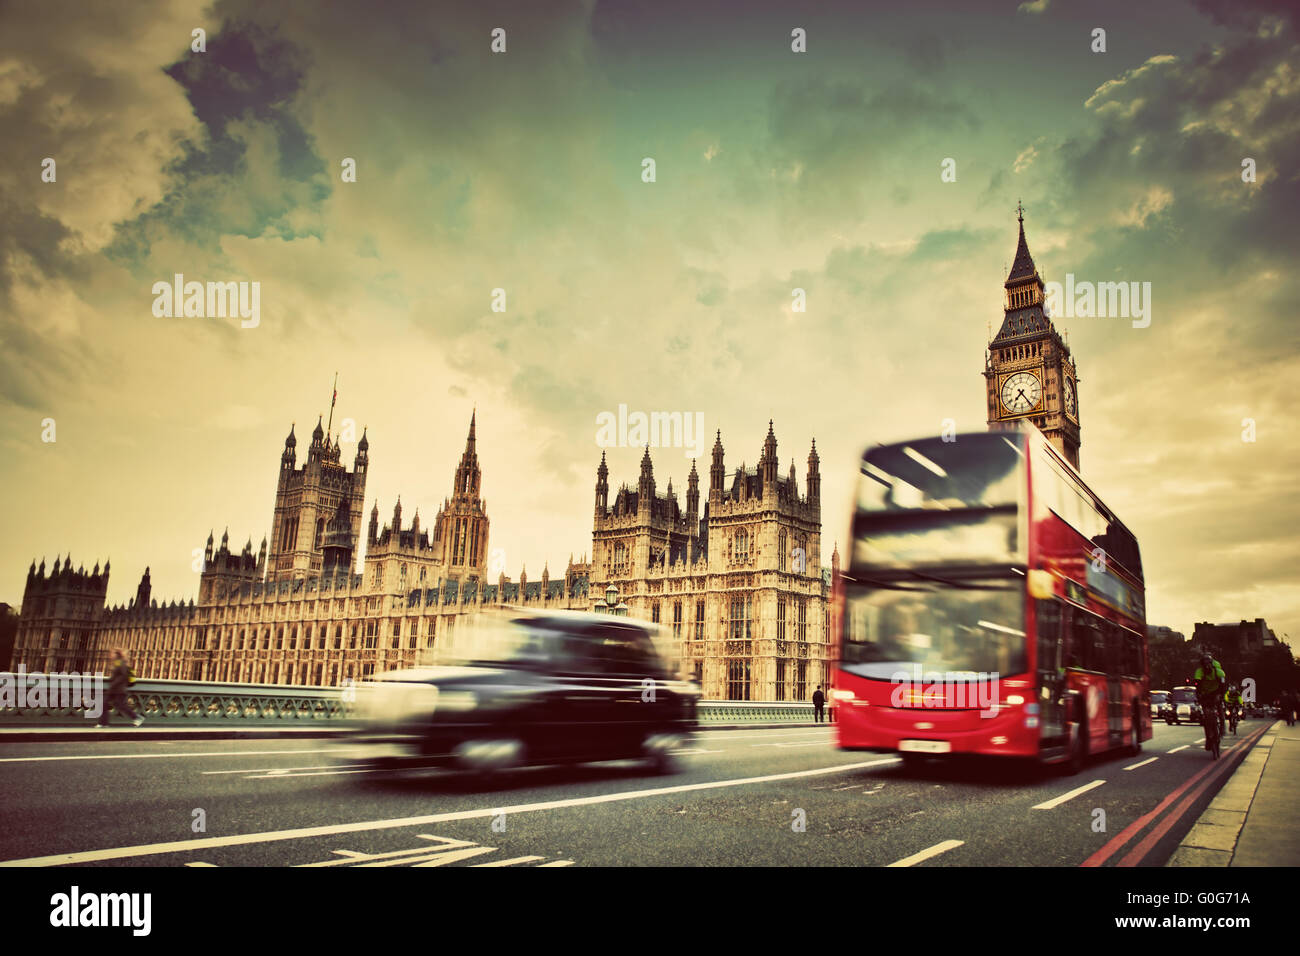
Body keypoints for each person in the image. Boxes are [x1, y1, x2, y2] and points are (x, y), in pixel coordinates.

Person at [96, 648, 144, 727]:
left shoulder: (120, 663)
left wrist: (114, 683)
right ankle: (103, 723)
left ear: (116, 655)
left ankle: (137, 717)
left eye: (112, 654)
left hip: (118, 689)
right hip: (115, 689)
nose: (110, 655)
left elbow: (123, 675)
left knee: (118, 704)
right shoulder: (118, 663)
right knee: (106, 703)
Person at [1193, 652, 1225, 749]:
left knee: (1220, 709)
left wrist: (1221, 695)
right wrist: (1199, 696)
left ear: (1212, 664)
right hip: (1205, 694)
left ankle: (1222, 728)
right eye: (1204, 665)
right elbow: (1197, 685)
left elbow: (1223, 685)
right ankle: (1209, 739)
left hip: (1216, 692)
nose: (1207, 666)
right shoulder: (1199, 672)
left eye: (1209, 664)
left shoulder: (1219, 672)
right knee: (1206, 718)